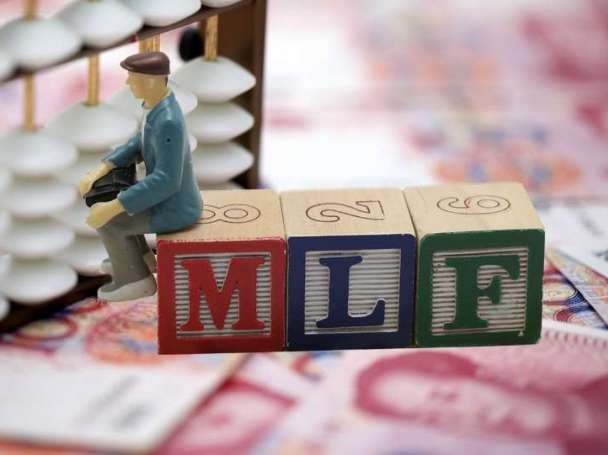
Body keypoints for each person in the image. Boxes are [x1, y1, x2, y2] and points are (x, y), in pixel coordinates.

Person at [79, 51, 202, 301]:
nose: (128, 82)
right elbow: (140, 142)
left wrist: (114, 206)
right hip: (169, 199)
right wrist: (105, 166)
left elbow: (166, 180)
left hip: (175, 208)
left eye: (132, 77)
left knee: (108, 220)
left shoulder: (168, 121)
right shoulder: (156, 106)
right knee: (114, 205)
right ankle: (138, 258)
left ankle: (134, 280)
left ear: (152, 80)